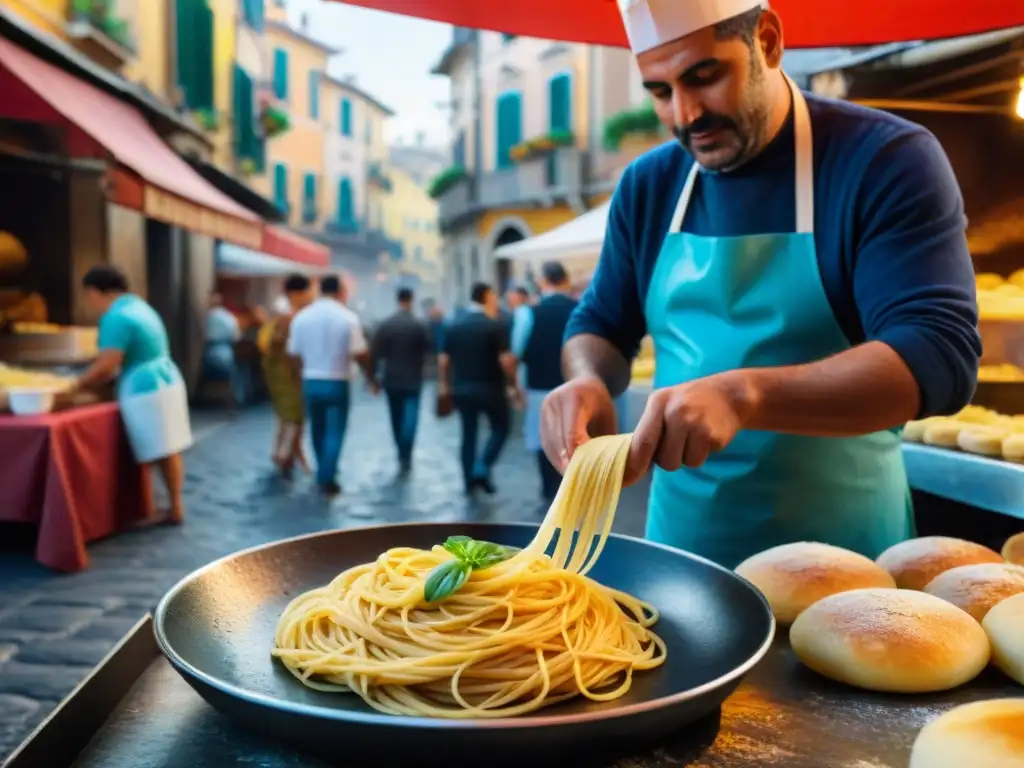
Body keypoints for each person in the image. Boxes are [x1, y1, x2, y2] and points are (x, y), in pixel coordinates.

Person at [541, 0, 981, 568]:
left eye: (705, 76)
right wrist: (589, 381)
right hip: (685, 552)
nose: (685, 113)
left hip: (848, 564)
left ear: (768, 41)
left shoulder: (882, 160)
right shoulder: (648, 186)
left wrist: (744, 396)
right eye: (659, 91)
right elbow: (600, 323)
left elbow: (937, 357)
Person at [65, 264, 193, 524]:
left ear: (95, 292)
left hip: (144, 387)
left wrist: (75, 384)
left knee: (154, 448)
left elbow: (107, 364)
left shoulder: (116, 316)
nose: (90, 304)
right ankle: (174, 506)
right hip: (165, 378)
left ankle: (158, 508)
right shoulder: (140, 307)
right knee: (167, 447)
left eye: (89, 297)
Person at [288, 274, 377, 496]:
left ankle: (323, 470)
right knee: (335, 430)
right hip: (338, 379)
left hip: (311, 380)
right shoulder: (348, 318)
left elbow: (294, 353)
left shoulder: (302, 318)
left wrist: (304, 371)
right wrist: (370, 378)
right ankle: (327, 475)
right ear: (340, 292)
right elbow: (360, 352)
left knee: (317, 429)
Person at [438, 282, 518, 494]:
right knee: (500, 428)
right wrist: (513, 385)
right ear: (486, 296)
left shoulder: (455, 324)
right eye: (493, 294)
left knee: (468, 434)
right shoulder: (494, 325)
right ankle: (482, 466)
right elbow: (506, 361)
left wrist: (444, 386)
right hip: (491, 387)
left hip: (462, 388)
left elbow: (443, 361)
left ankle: (468, 480)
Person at [512, 261, 577, 503]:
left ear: (544, 281)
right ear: (565, 279)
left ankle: (548, 488)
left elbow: (518, 350)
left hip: (539, 384)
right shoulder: (579, 308)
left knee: (541, 436)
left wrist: (516, 386)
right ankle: (569, 487)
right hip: (572, 384)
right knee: (572, 433)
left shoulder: (529, 313)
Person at [371, 287, 432, 473]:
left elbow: (375, 353)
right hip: (413, 377)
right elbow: (428, 349)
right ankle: (406, 450)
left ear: (397, 300)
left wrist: (373, 377)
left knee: (396, 417)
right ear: (411, 299)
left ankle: (401, 449)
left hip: (392, 378)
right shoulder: (419, 324)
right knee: (411, 416)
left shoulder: (386, 324)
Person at [258, 275, 314, 479]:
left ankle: (285, 454)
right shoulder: (289, 315)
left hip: (277, 370)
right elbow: (290, 347)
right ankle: (284, 455)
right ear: (298, 293)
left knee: (285, 415)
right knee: (294, 414)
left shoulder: (280, 310)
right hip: (286, 371)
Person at [202, 292, 241, 404]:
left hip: (210, 350)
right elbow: (236, 336)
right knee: (229, 379)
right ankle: (231, 403)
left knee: (206, 379)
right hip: (226, 351)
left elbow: (203, 334)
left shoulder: (208, 316)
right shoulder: (228, 316)